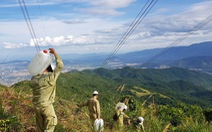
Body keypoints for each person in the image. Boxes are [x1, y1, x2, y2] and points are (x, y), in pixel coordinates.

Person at [30, 48, 64, 132]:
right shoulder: (50, 78)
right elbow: (60, 66)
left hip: (36, 106)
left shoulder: (34, 79)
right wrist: (55, 53)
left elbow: (39, 73)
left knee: (40, 128)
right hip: (46, 106)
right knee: (51, 124)